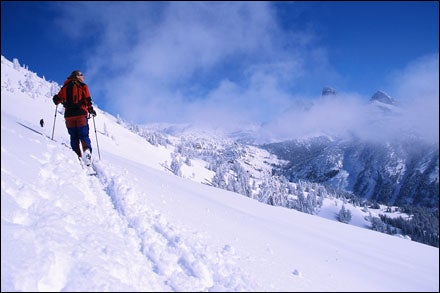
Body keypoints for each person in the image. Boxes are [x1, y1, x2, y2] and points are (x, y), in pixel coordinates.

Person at [52, 70, 97, 166]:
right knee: (83, 135)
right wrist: (91, 110)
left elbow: (57, 100)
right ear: (77, 76)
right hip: (81, 114)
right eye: (81, 75)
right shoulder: (83, 86)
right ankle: (87, 153)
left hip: (69, 116)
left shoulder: (65, 87)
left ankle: (77, 156)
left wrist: (56, 99)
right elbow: (88, 99)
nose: (83, 76)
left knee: (74, 136)